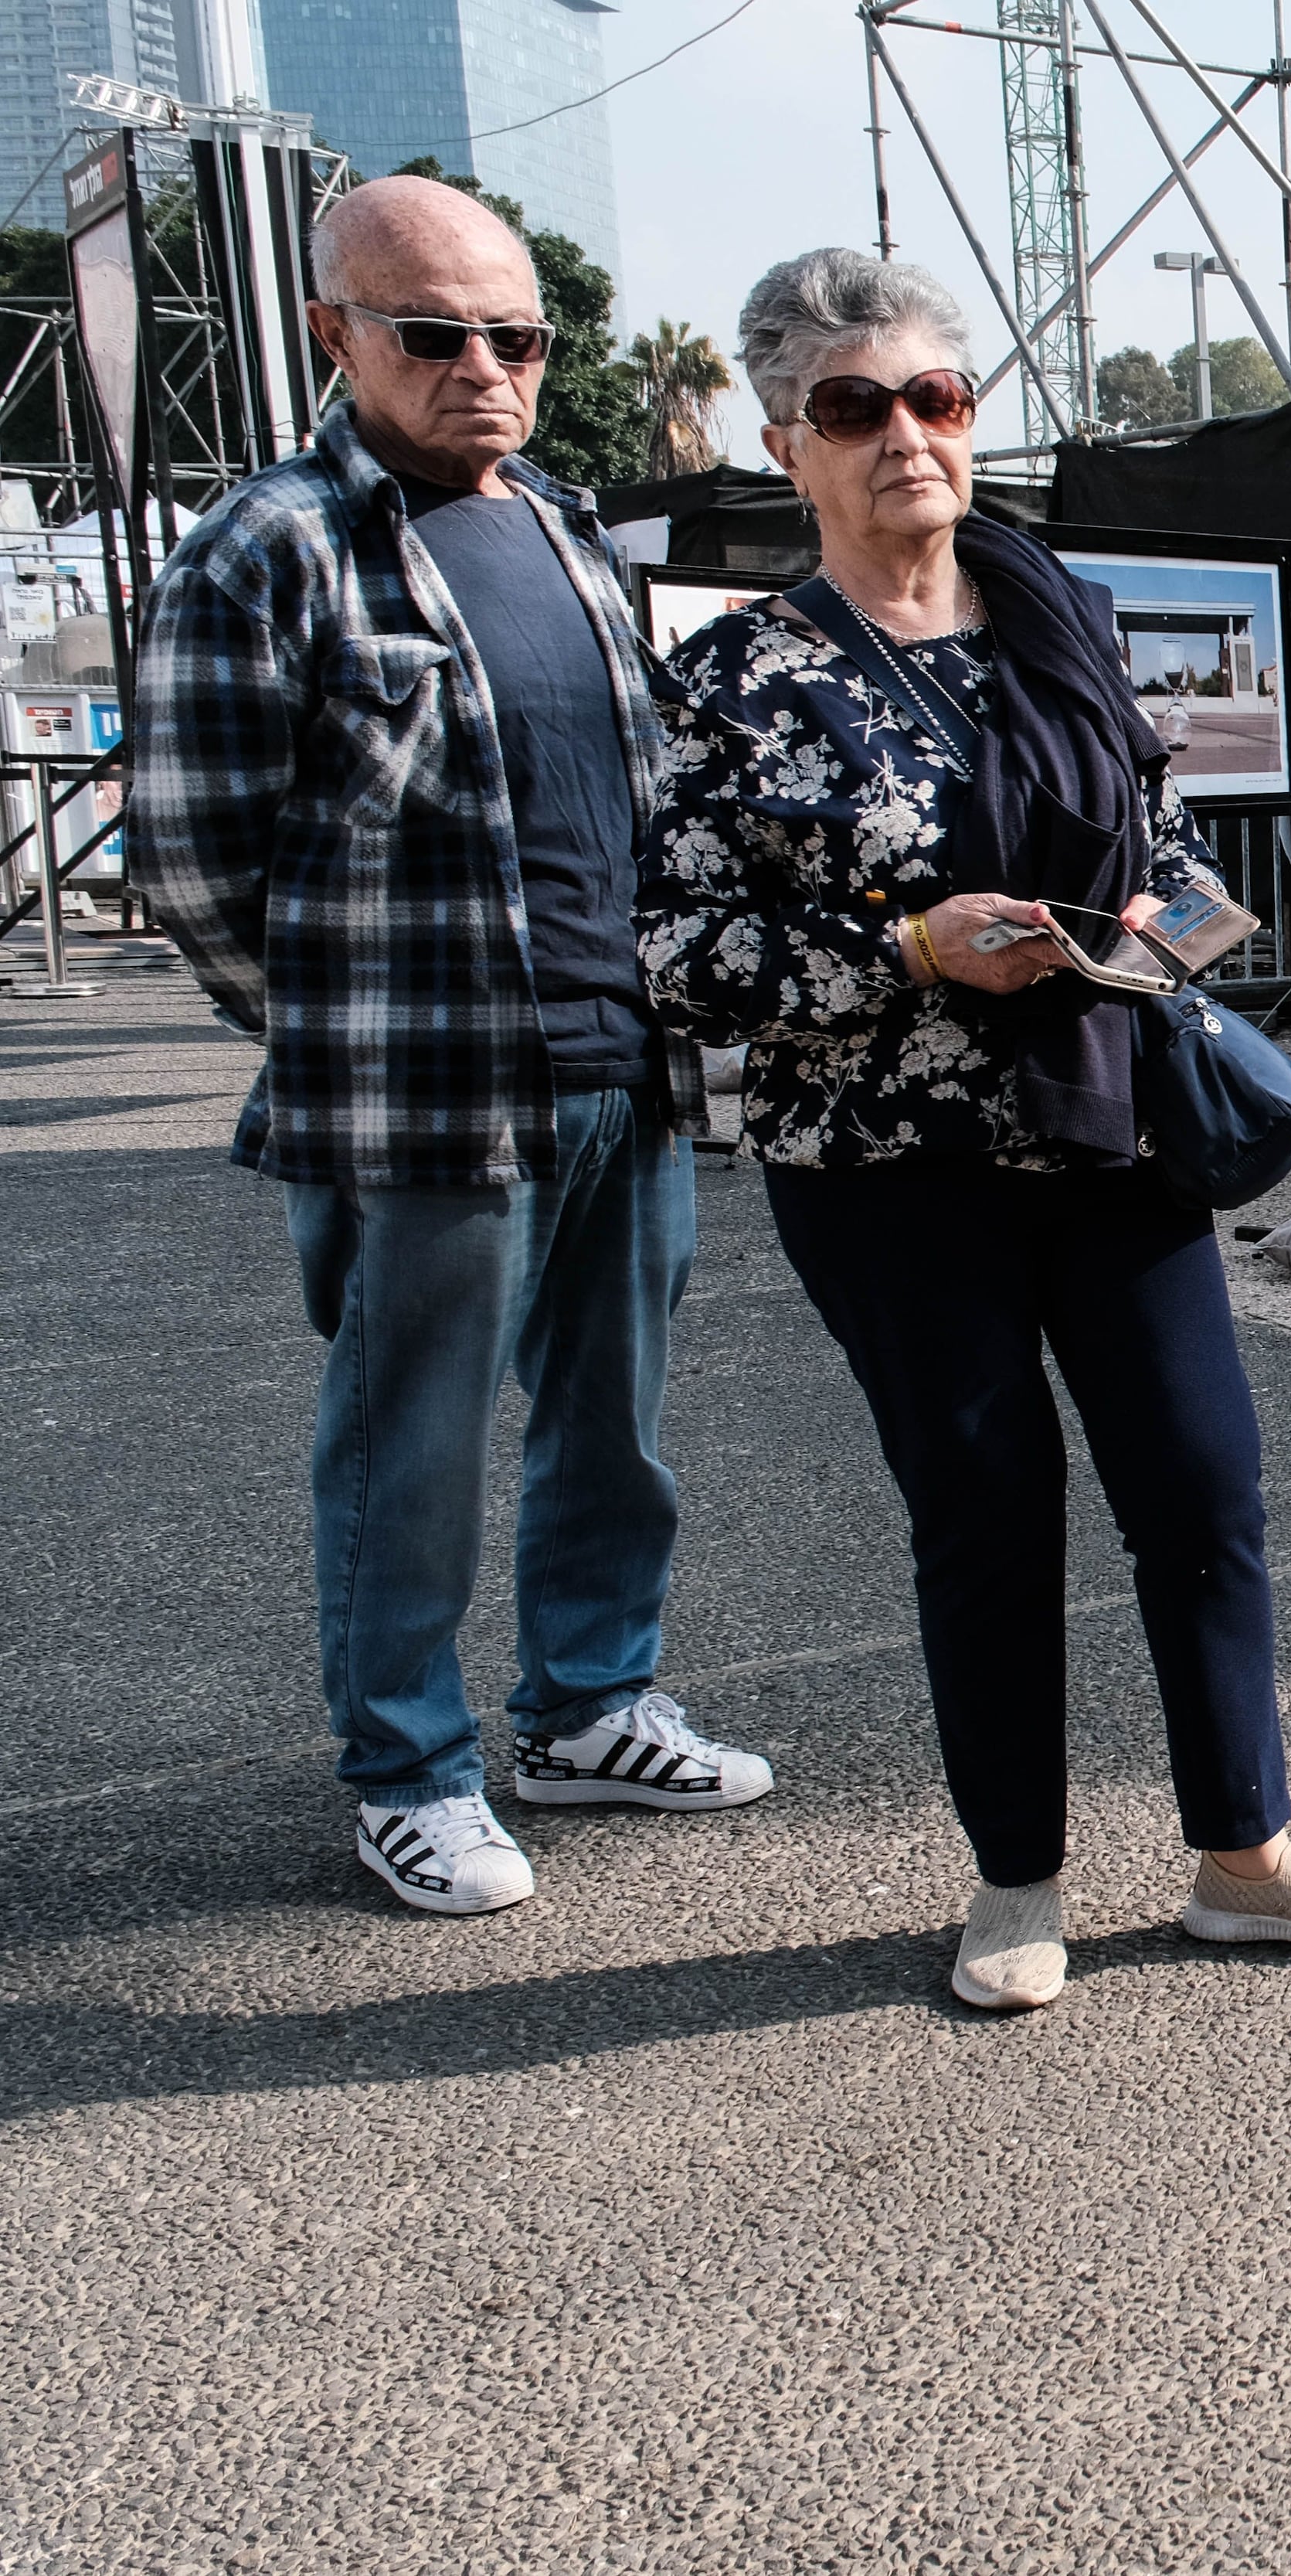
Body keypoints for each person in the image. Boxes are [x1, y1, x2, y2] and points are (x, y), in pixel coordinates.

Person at [637, 250, 1291, 2011]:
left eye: (934, 397)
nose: (904, 435)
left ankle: (1245, 1853)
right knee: (986, 1515)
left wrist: (1158, 928)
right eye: (856, 406)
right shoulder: (739, 679)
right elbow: (681, 951)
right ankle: (1015, 1878)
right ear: (789, 442)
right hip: (889, 1171)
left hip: (1112, 1129)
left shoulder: (1056, 617)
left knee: (1205, 1491)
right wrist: (907, 947)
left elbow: (1178, 852)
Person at [131, 175, 773, 1919]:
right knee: (406, 1444)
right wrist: (342, 1028)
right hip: (422, 1091)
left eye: (518, 334)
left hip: (622, 1072)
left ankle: (589, 1704)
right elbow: (188, 857)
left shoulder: (561, 524)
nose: (483, 365)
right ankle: (409, 1766)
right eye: (435, 333)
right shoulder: (269, 545)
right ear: (334, 334)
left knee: (610, 1426)